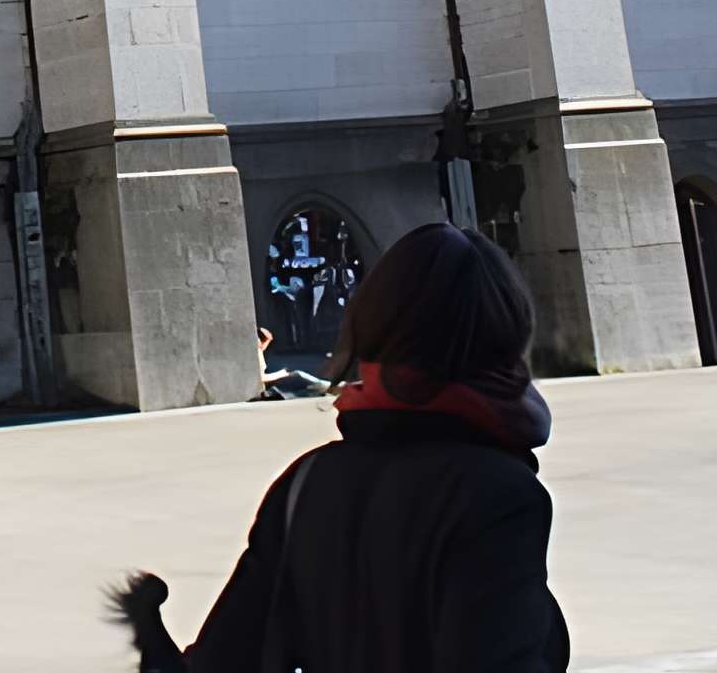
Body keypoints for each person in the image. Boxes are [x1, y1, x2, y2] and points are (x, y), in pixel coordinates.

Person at [111, 221, 570, 673]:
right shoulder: (498, 496)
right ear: (507, 334)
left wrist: (153, 639)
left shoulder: (306, 483)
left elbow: (228, 656)